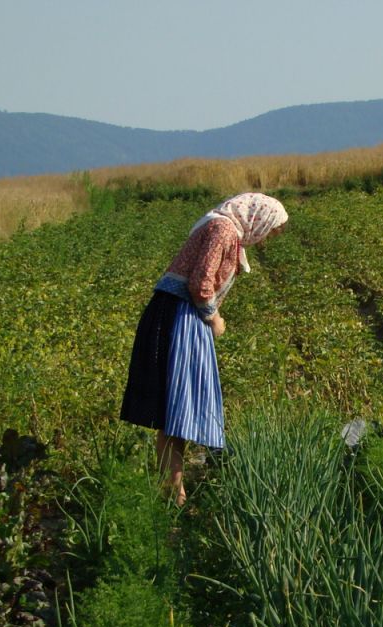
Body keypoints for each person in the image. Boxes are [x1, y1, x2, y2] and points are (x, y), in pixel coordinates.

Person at [119, 193, 288, 504]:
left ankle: (172, 490)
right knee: (177, 408)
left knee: (177, 410)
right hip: (180, 317)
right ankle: (173, 491)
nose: (266, 238)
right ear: (258, 219)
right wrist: (214, 318)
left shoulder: (224, 230)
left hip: (183, 316)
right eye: (270, 230)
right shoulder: (222, 230)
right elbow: (200, 282)